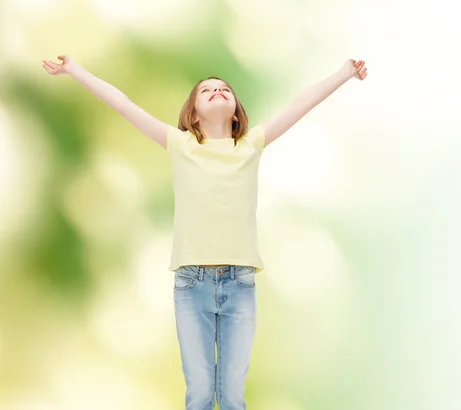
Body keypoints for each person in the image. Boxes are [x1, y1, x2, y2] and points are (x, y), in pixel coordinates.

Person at [42, 55, 367, 410]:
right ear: (193, 114)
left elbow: (301, 103)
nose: (217, 90)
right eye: (207, 90)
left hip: (240, 284)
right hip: (192, 284)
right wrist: (74, 70)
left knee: (231, 397)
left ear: (236, 113)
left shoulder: (251, 145)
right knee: (198, 394)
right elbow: (124, 105)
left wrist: (345, 73)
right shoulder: (180, 145)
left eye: (224, 89)